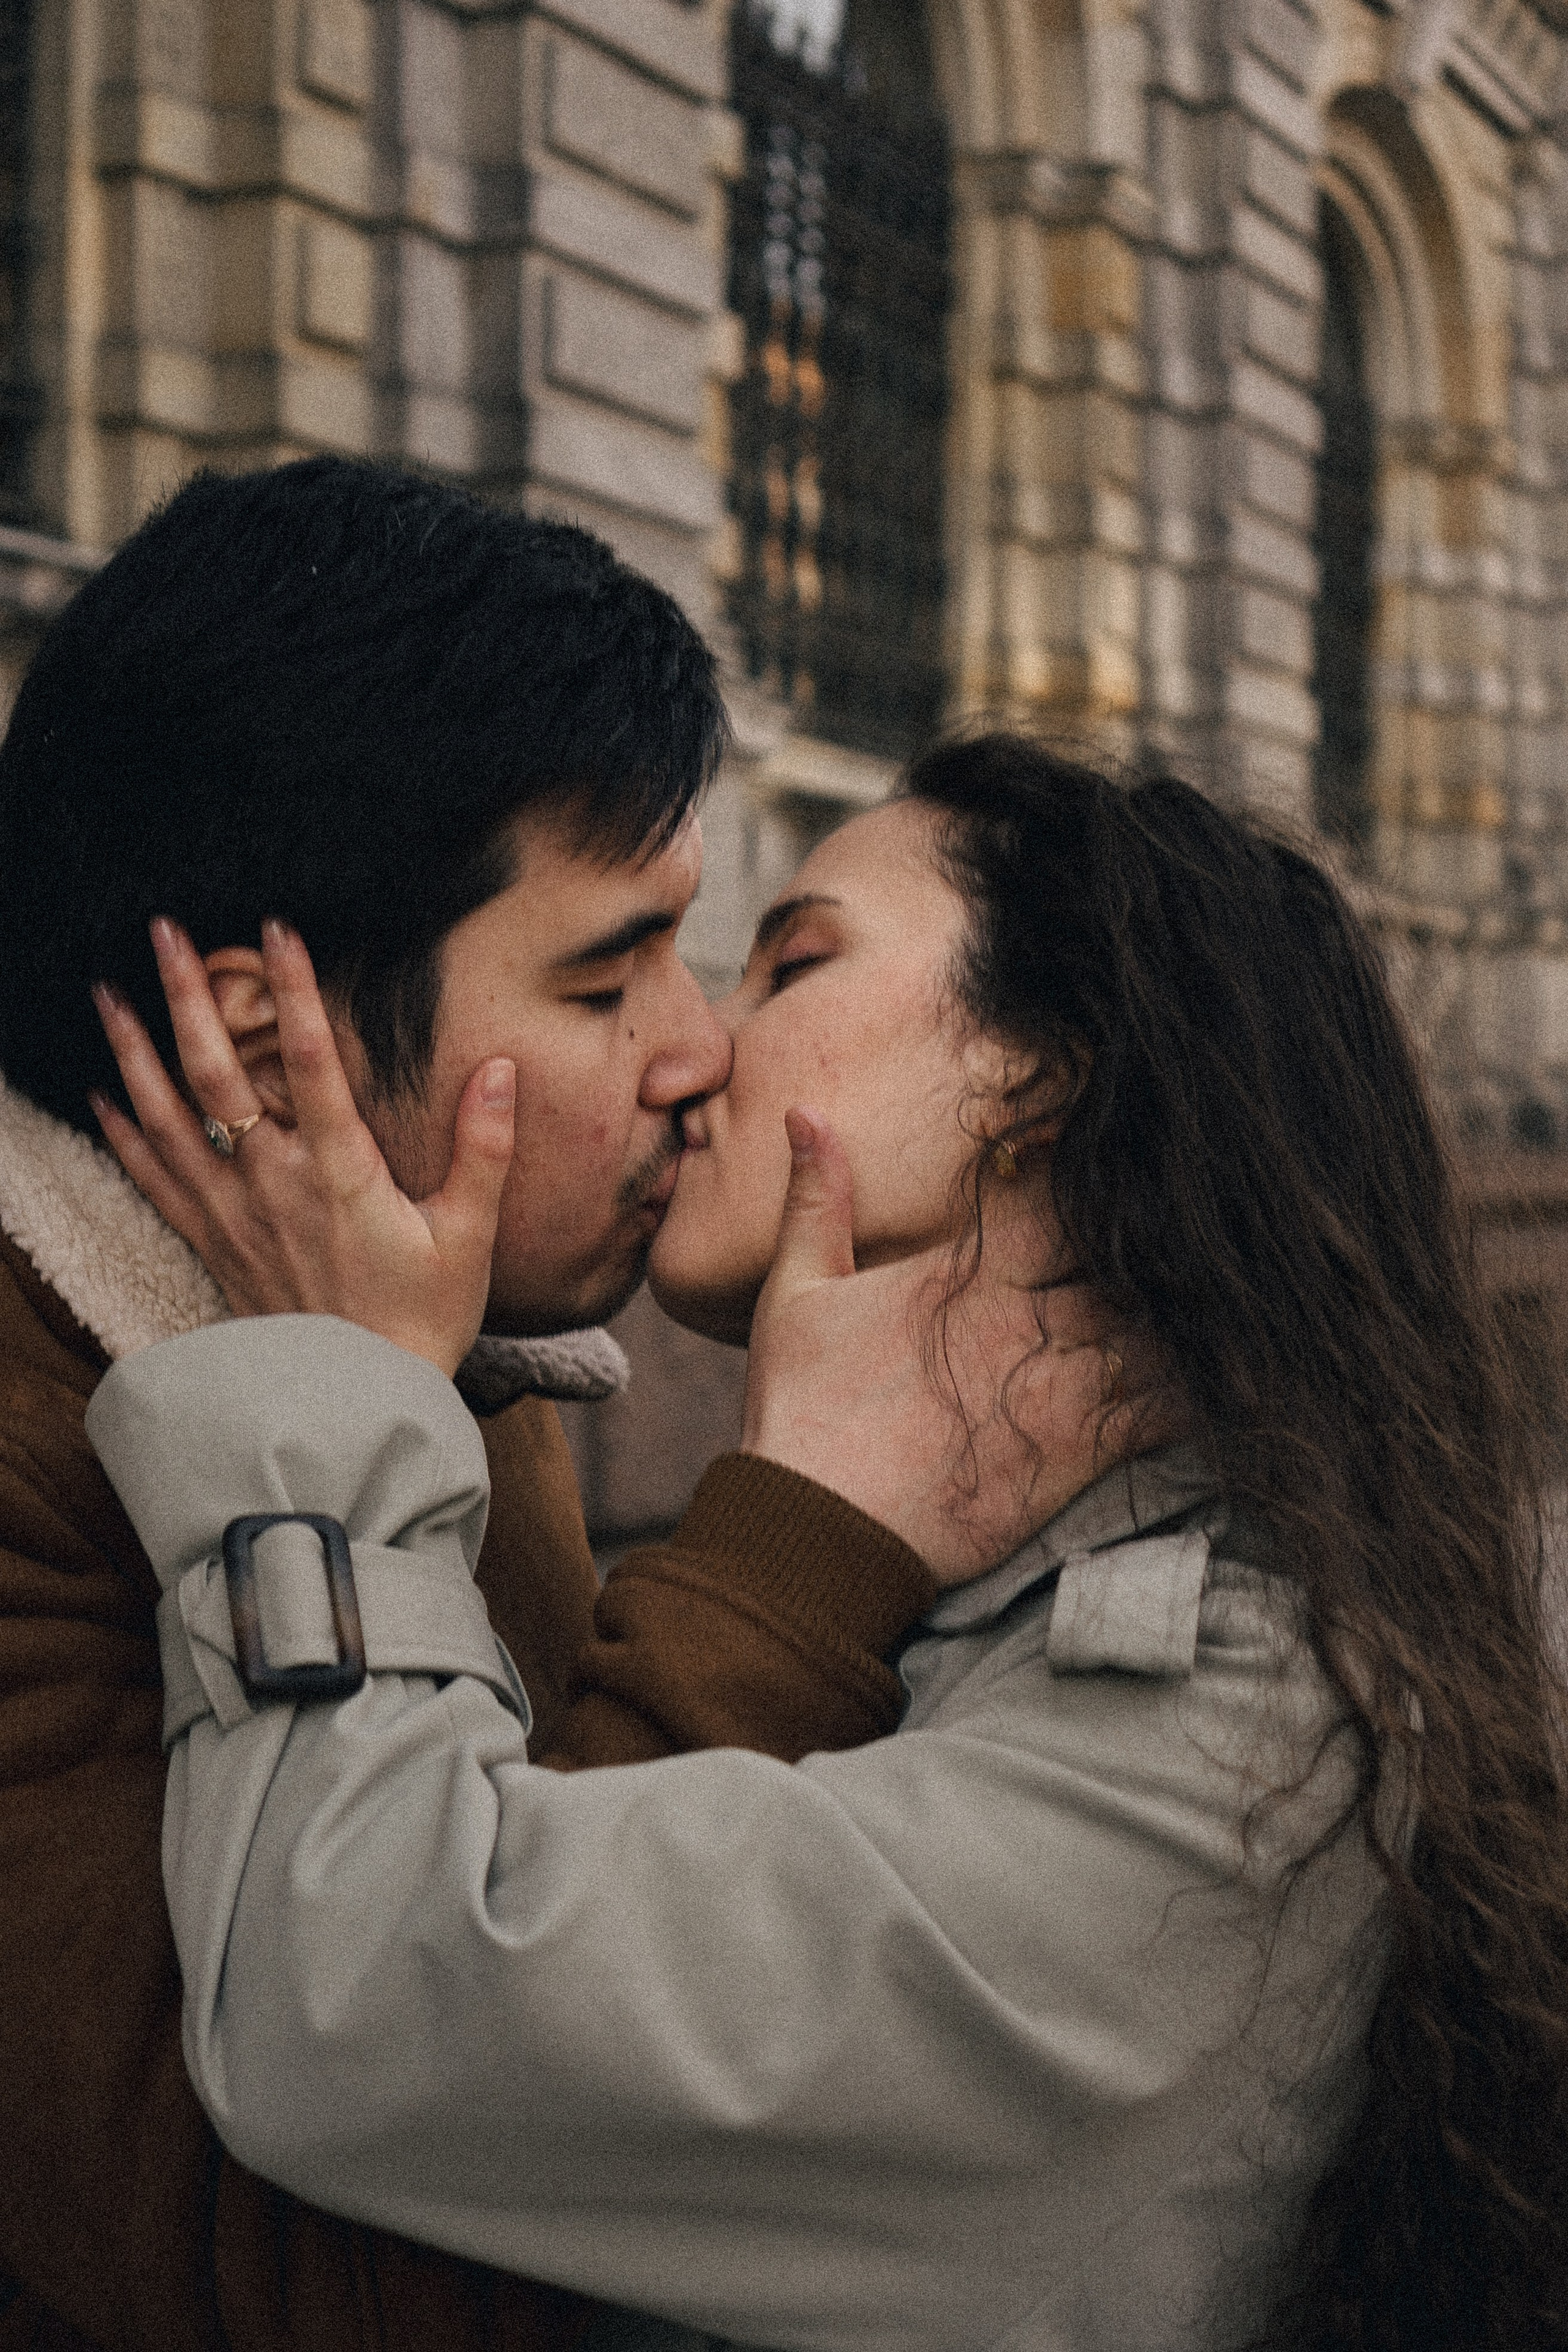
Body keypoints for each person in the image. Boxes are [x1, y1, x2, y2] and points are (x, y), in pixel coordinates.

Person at [85, 734, 1568, 2351]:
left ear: (1039, 1075)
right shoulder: (1077, 1607)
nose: (698, 1049)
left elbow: (364, 2005)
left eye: (792, 964)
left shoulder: (1227, 1753)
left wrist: (335, 1377)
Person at [0, 459, 1119, 2352]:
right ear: (270, 1055)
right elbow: (370, 2278)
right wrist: (787, 1564)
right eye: (608, 984)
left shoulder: (434, 1335)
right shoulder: (57, 1440)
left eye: (702, 949)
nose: (703, 1051)